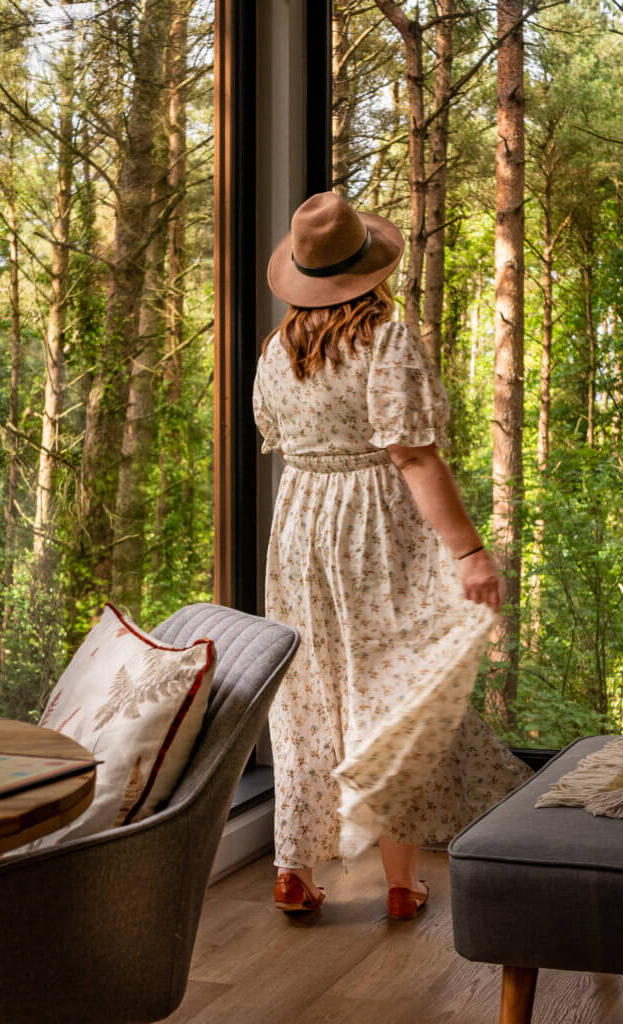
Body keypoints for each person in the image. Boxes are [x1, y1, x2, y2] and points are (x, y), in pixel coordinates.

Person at [253, 191, 530, 920]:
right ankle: (400, 885)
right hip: (372, 523)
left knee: (307, 691)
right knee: (386, 689)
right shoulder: (384, 340)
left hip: (298, 525)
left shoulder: (274, 351)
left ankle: (292, 866)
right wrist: (467, 551)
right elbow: (409, 452)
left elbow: (277, 436)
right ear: (368, 272)